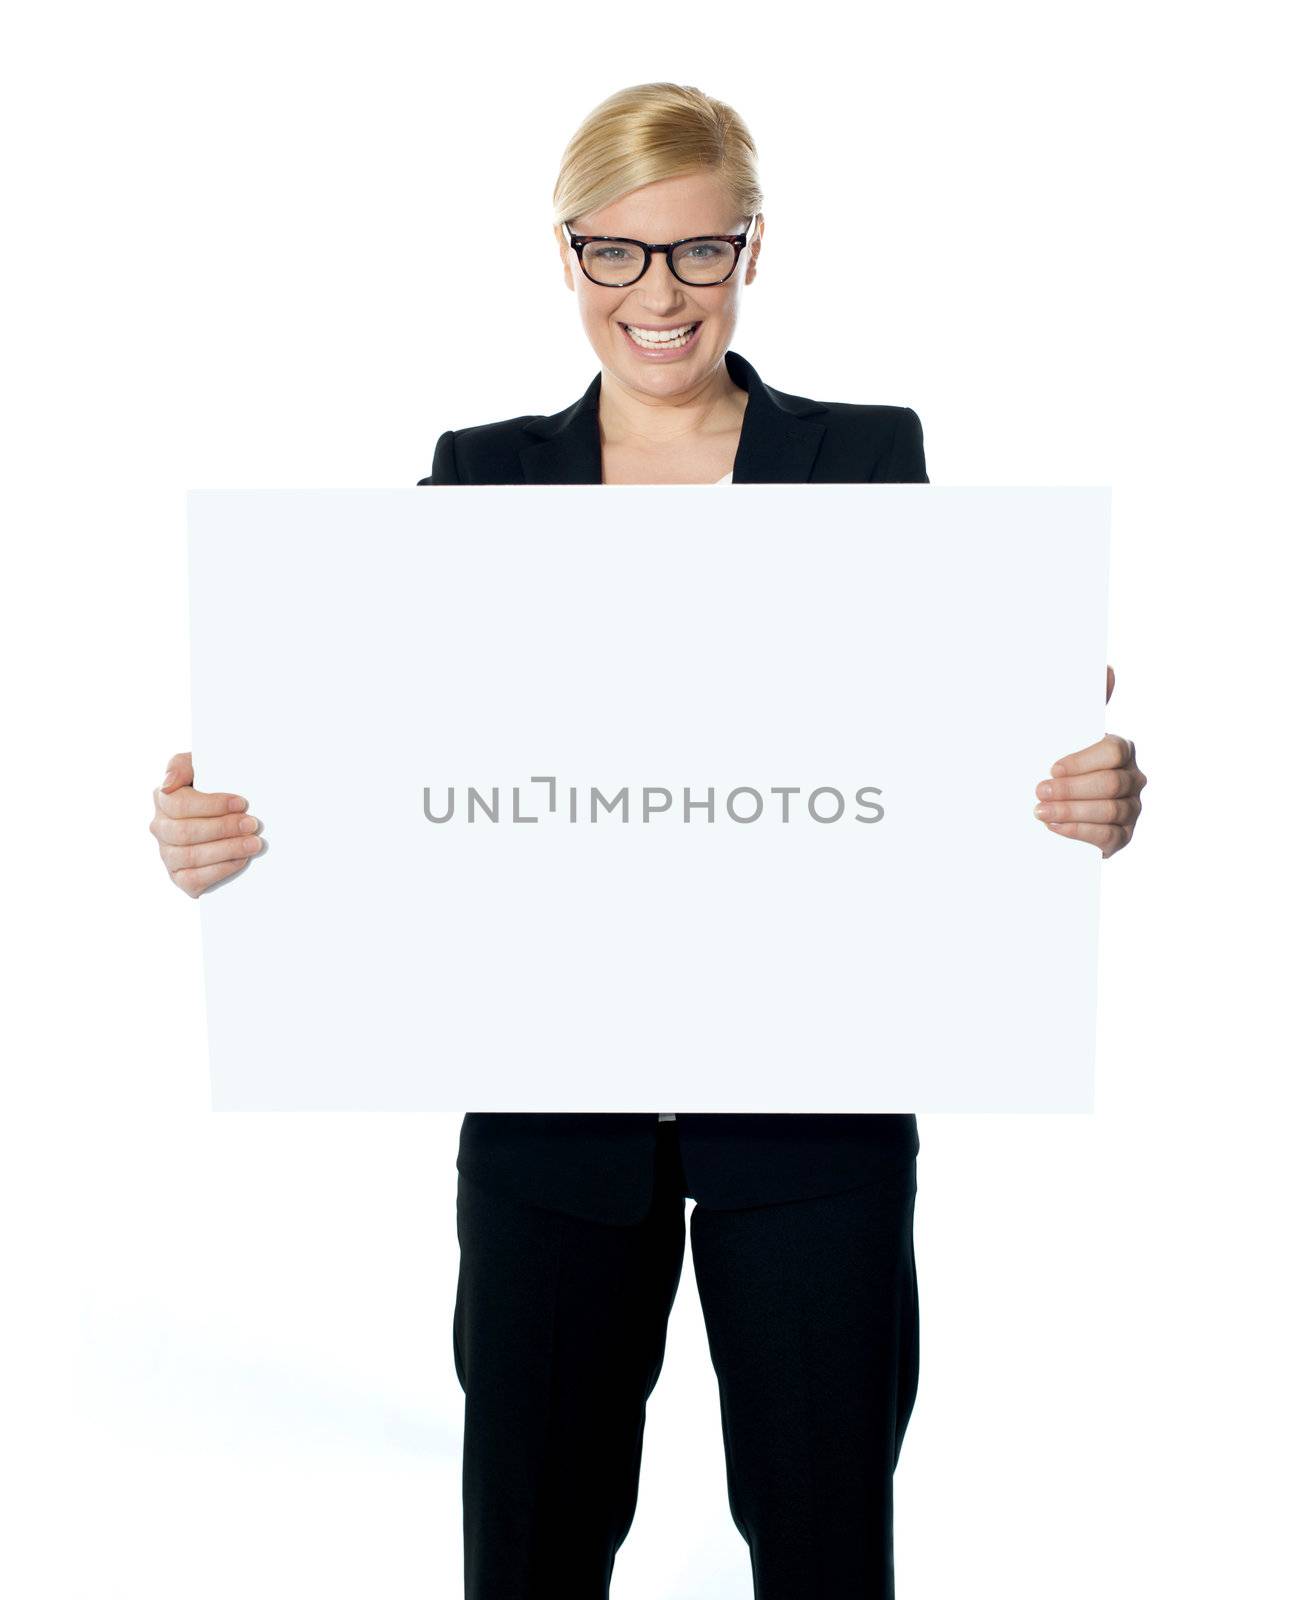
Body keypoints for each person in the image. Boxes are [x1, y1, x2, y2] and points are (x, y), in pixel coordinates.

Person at [150, 82, 1147, 1600]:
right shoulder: (479, 480)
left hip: (813, 1122)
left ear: (755, 252)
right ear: (567, 256)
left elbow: (951, 761)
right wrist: (226, 838)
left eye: (698, 253)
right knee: (532, 1555)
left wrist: (1081, 799)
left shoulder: (865, 459)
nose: (658, 296)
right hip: (555, 1128)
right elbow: (389, 771)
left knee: (826, 1547)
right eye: (617, 254)